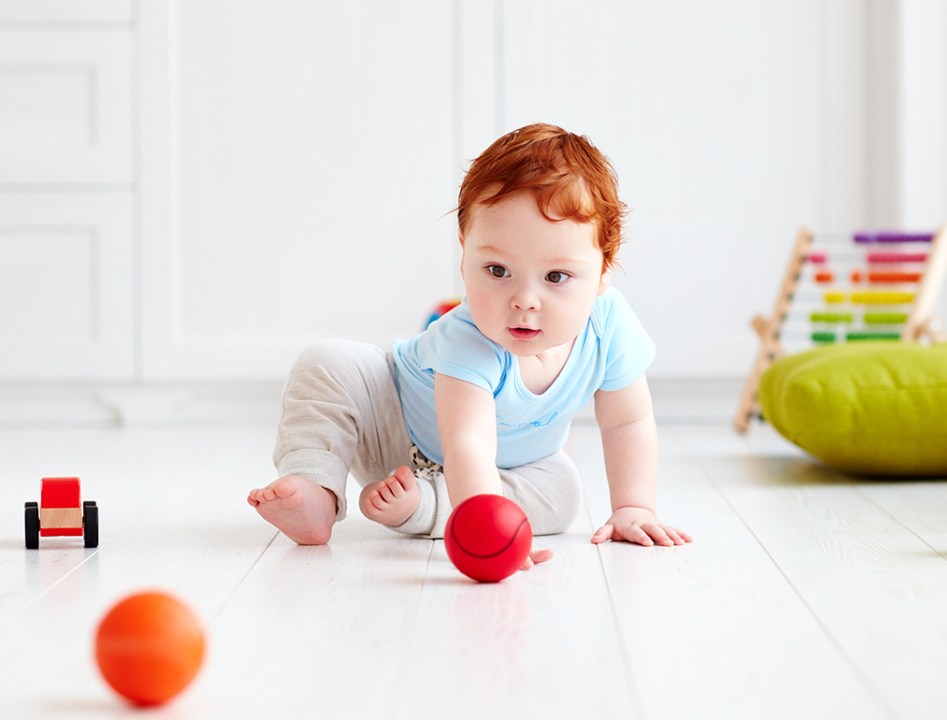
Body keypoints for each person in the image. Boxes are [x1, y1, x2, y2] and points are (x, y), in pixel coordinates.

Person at [247, 123, 692, 567]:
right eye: (497, 271)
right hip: (390, 424)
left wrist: (634, 507)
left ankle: (425, 505)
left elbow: (627, 422)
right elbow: (468, 443)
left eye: (556, 277)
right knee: (329, 363)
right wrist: (489, 530)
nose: (524, 300)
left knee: (562, 493)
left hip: (501, 470)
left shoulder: (609, 327)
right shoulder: (468, 336)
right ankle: (315, 490)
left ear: (604, 271)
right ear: (465, 254)